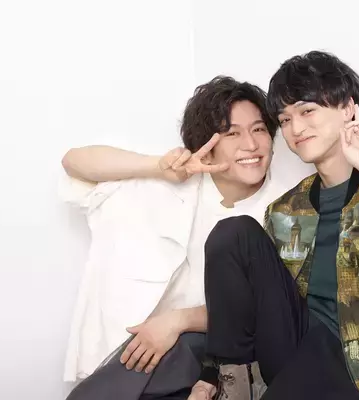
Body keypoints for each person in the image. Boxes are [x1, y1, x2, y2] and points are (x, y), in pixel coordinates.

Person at [187, 51, 359, 400]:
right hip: (298, 347)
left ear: (347, 109)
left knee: (316, 360)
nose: (295, 129)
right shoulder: (287, 209)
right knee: (234, 233)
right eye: (285, 119)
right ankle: (231, 385)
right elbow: (255, 305)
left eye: (307, 111)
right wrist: (209, 373)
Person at [59, 76, 310, 399]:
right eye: (232, 133)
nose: (251, 145)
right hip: (135, 353)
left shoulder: (289, 209)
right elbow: (74, 162)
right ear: (207, 145)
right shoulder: (165, 187)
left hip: (218, 360)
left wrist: (178, 322)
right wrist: (157, 167)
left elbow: (279, 309)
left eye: (259, 129)